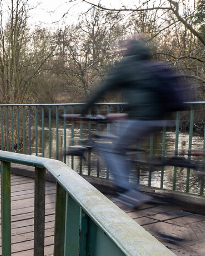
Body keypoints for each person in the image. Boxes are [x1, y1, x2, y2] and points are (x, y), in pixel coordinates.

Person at [73, 37, 178, 209]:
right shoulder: (148, 66)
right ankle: (135, 185)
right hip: (160, 117)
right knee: (124, 146)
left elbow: (103, 89)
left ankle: (129, 193)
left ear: (128, 49)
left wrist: (83, 111)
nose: (121, 50)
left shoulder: (127, 64)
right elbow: (144, 97)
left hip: (143, 118)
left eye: (122, 48)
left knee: (109, 147)